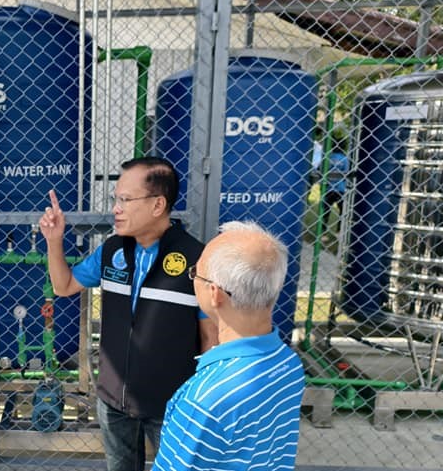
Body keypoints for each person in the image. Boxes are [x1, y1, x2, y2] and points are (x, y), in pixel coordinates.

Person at [39, 156, 217, 471]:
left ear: (158, 204)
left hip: (172, 407)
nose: (116, 209)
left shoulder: (197, 259)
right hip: (113, 401)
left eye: (125, 200)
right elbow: (64, 286)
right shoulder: (111, 251)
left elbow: (210, 338)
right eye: (115, 199)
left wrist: (202, 401)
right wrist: (54, 241)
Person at [151, 221, 306, 471]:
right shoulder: (289, 363)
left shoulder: (205, 399)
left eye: (195, 273)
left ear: (215, 293)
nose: (192, 277)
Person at [321, 141, 349, 235]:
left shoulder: (327, 158)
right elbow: (346, 172)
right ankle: (339, 230)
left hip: (328, 187)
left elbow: (320, 169)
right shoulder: (344, 159)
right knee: (342, 210)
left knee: (325, 211)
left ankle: (322, 231)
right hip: (340, 188)